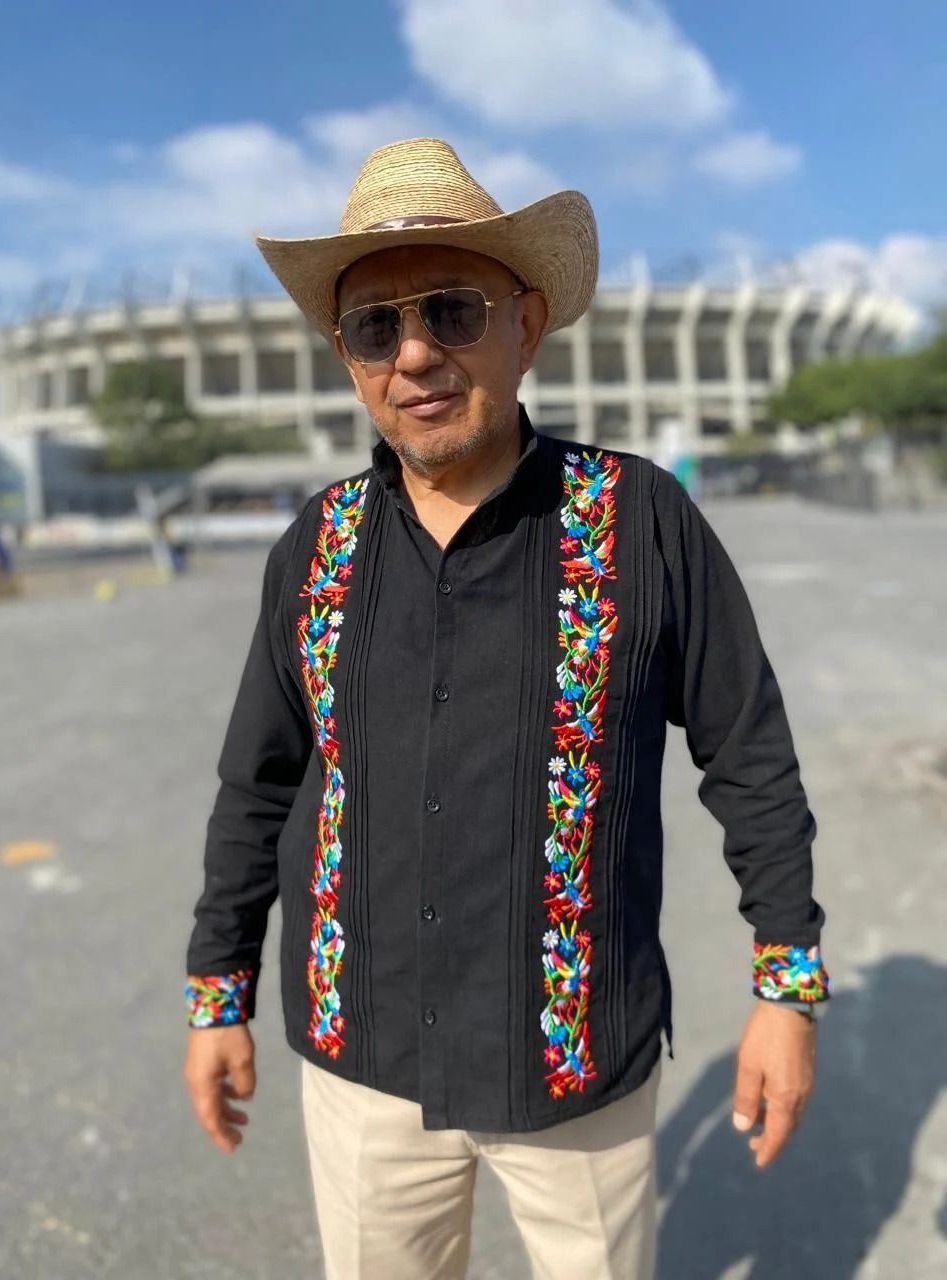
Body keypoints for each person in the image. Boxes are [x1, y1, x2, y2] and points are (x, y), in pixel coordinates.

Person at [183, 138, 829, 1280]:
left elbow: (749, 754)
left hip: (576, 1065)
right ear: (349, 357)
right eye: (376, 326)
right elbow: (260, 782)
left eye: (452, 309)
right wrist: (215, 991)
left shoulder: (643, 523)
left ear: (526, 325)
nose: (417, 352)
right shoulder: (315, 550)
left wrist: (787, 986)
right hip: (361, 1057)